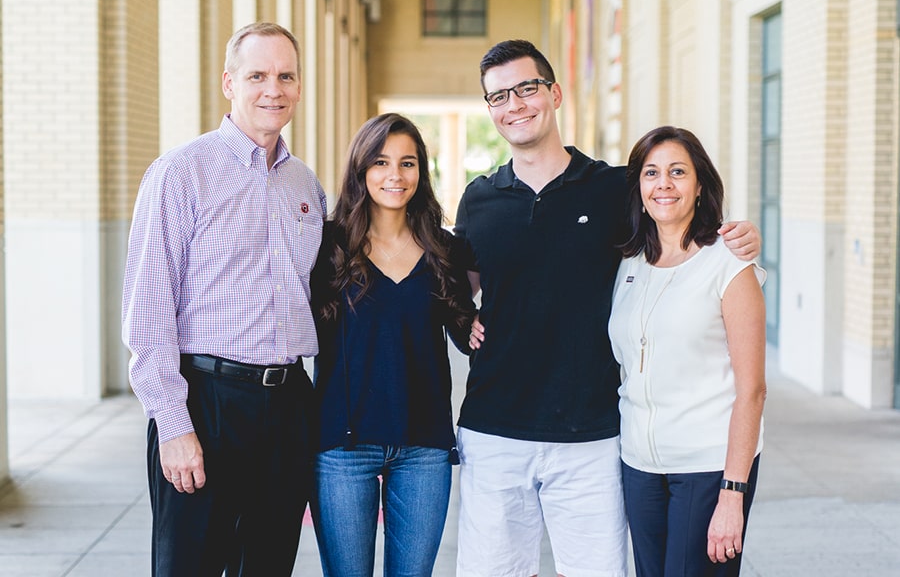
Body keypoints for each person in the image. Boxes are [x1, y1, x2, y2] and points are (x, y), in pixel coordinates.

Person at [455, 39, 761, 577]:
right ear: (490, 109)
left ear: (555, 94)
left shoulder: (615, 189)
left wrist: (737, 236)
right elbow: (457, 287)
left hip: (593, 435)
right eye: (499, 96)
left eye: (527, 88)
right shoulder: (478, 199)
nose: (515, 104)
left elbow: (678, 230)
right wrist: (461, 320)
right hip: (494, 430)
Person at [122, 22, 325, 576]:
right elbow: (148, 309)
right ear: (228, 83)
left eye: (285, 76)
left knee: (268, 565)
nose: (272, 89)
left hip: (286, 406)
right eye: (257, 75)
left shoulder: (306, 187)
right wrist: (173, 424)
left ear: (300, 87)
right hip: (205, 403)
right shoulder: (181, 173)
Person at [309, 113, 476, 576]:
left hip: (424, 445)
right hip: (343, 446)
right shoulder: (328, 246)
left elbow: (466, 333)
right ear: (361, 170)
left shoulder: (445, 249)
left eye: (408, 163)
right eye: (381, 162)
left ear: (422, 172)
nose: (395, 176)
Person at [608, 126, 766, 576]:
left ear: (700, 186)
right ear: (638, 188)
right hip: (639, 465)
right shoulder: (627, 262)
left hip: (708, 466)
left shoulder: (729, 263)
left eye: (678, 172)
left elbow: (752, 390)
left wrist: (732, 493)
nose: (664, 184)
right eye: (651, 173)